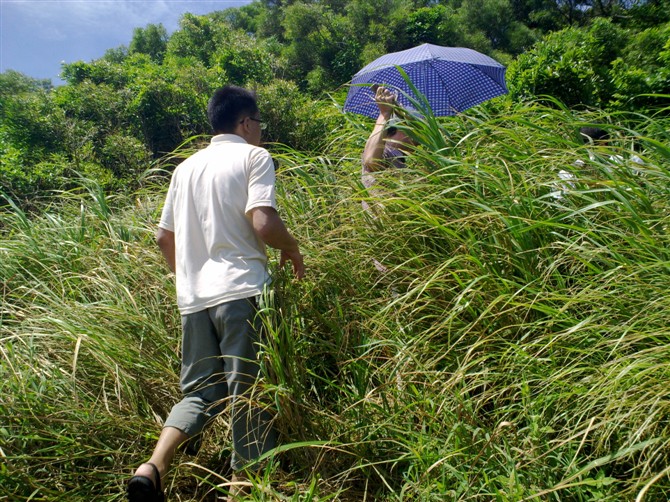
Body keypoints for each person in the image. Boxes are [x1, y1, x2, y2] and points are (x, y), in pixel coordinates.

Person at [127, 85, 305, 502]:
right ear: (245, 123)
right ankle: (246, 486)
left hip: (193, 300)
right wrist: (292, 247)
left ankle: (153, 467)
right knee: (249, 390)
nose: (260, 130)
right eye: (258, 122)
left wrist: (188, 278)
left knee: (200, 393)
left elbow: (163, 237)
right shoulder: (253, 157)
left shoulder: (184, 169)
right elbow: (262, 221)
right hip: (241, 291)